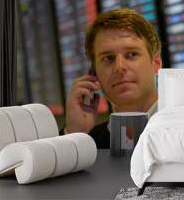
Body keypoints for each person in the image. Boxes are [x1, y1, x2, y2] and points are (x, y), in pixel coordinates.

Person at [63, 9, 162, 148]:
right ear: (94, 74)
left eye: (132, 54)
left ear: (156, 63)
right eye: (108, 58)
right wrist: (75, 133)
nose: (119, 67)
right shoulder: (86, 144)